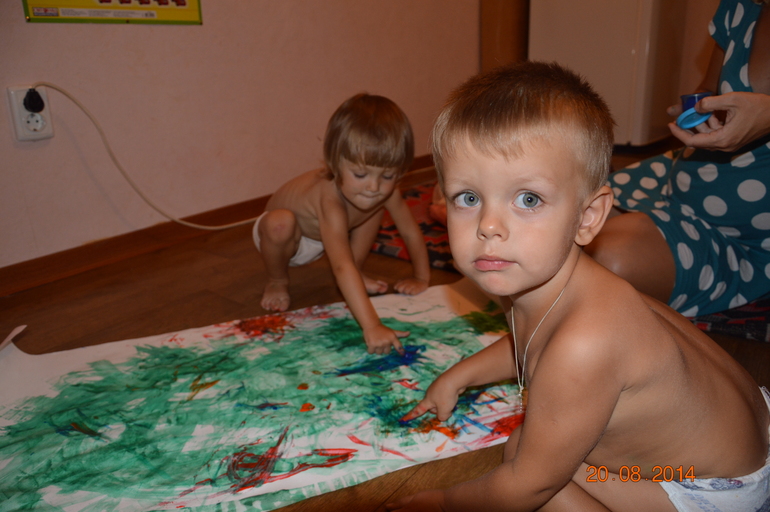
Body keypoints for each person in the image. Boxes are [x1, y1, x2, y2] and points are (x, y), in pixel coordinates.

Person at [385, 62, 770, 511]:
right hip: (752, 428)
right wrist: (459, 377)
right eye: (468, 198)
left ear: (588, 217)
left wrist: (441, 502)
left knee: (528, 464)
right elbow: (532, 341)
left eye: (528, 199)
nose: (489, 225)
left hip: (712, 487)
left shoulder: (584, 343)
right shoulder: (574, 291)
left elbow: (528, 487)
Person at [586, 0, 770, 317]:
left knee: (605, 259)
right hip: (674, 180)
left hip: (744, 239)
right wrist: (697, 111)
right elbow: (709, 89)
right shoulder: (741, 6)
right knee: (566, 216)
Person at [253, 93, 431, 354]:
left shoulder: (381, 191)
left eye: (387, 176)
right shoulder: (329, 198)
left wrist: (421, 277)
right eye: (360, 174)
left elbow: (410, 232)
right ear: (335, 164)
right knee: (280, 223)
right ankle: (276, 280)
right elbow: (340, 265)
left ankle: (358, 271)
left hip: (329, 233)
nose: (373, 186)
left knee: (372, 204)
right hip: (289, 239)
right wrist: (372, 326)